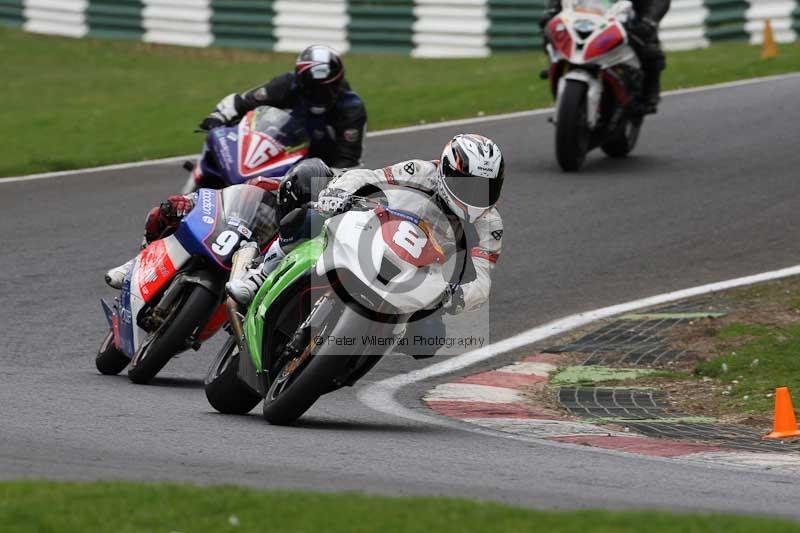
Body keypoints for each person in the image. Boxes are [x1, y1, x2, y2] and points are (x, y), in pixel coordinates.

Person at [227, 134, 505, 357]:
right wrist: (337, 193)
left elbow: (482, 282)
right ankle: (260, 274)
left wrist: (454, 297)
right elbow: (368, 177)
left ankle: (363, 346)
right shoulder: (421, 172)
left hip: (419, 278)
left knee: (428, 341)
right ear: (447, 171)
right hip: (376, 232)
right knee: (309, 213)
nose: (477, 196)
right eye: (469, 186)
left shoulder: (489, 224)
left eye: (487, 188)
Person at [103, 162, 327, 289]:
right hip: (225, 231)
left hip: (249, 267)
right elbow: (223, 198)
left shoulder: (303, 232)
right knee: (168, 209)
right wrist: (191, 202)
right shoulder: (264, 185)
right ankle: (134, 264)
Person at [198, 44, 367, 169]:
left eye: (324, 90)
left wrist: (326, 182)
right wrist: (217, 117)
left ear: (338, 83)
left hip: (323, 172)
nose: (318, 95)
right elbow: (243, 102)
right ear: (300, 82)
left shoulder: (351, 109)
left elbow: (349, 161)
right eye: (312, 89)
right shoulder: (286, 84)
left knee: (311, 215)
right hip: (276, 159)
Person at [541, 0, 671, 114]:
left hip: (630, 18)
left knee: (649, 48)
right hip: (587, 14)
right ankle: (555, 63)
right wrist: (552, 10)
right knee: (550, 32)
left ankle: (648, 94)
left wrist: (649, 21)